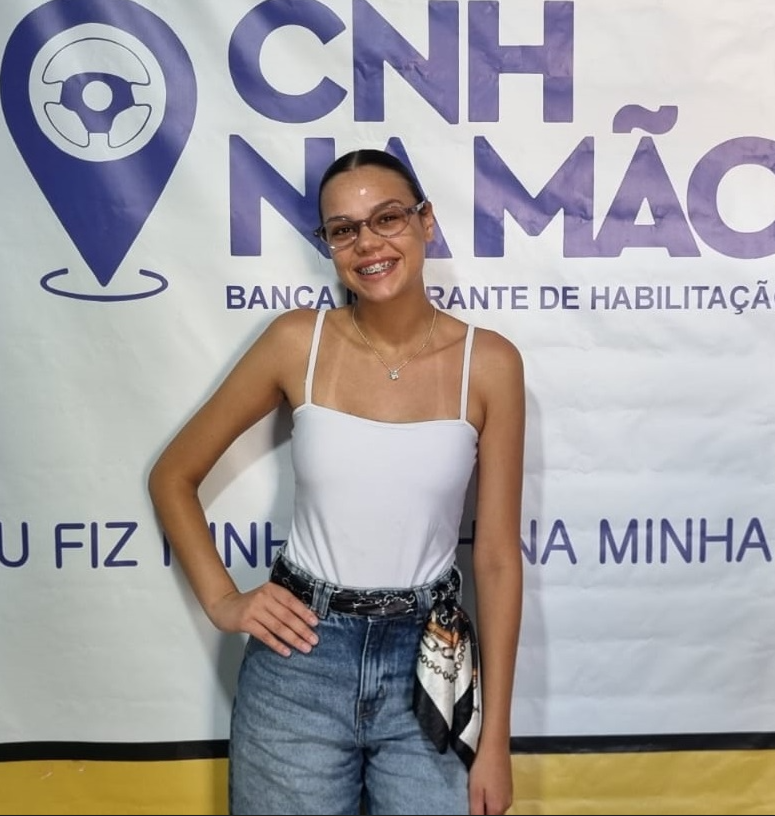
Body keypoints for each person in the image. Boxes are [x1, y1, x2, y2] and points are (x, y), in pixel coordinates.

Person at [148, 148, 526, 815]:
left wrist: (495, 735)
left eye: (387, 218)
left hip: (430, 668)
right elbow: (173, 475)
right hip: (300, 665)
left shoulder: (489, 362)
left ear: (426, 222)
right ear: (327, 243)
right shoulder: (297, 341)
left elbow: (495, 558)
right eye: (343, 229)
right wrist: (224, 601)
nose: (368, 243)